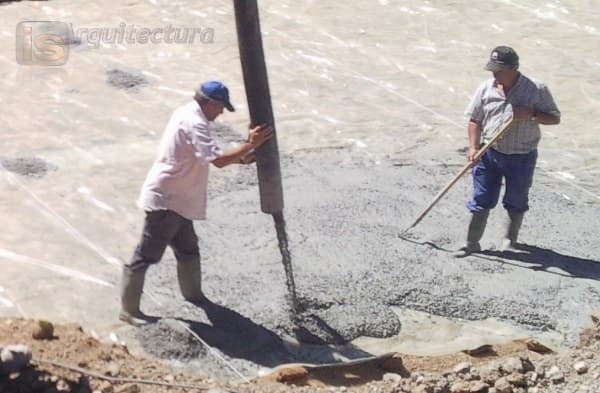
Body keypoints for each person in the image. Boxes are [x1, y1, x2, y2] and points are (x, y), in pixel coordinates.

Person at [120, 80, 273, 324]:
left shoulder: (186, 112)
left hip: (180, 200)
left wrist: (242, 158)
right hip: (167, 199)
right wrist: (250, 144)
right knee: (146, 254)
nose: (221, 112)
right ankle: (129, 311)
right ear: (211, 103)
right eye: (221, 107)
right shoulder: (195, 122)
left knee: (188, 248)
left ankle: (194, 296)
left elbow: (202, 155)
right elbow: (217, 160)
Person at [455, 46, 560, 257]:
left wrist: (531, 114)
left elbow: (555, 118)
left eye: (499, 69)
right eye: (492, 69)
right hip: (489, 152)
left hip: (522, 156)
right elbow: (475, 120)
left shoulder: (536, 89)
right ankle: (471, 242)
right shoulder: (486, 88)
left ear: (514, 68)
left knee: (517, 199)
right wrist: (474, 147)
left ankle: (509, 240)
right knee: (481, 198)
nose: (494, 73)